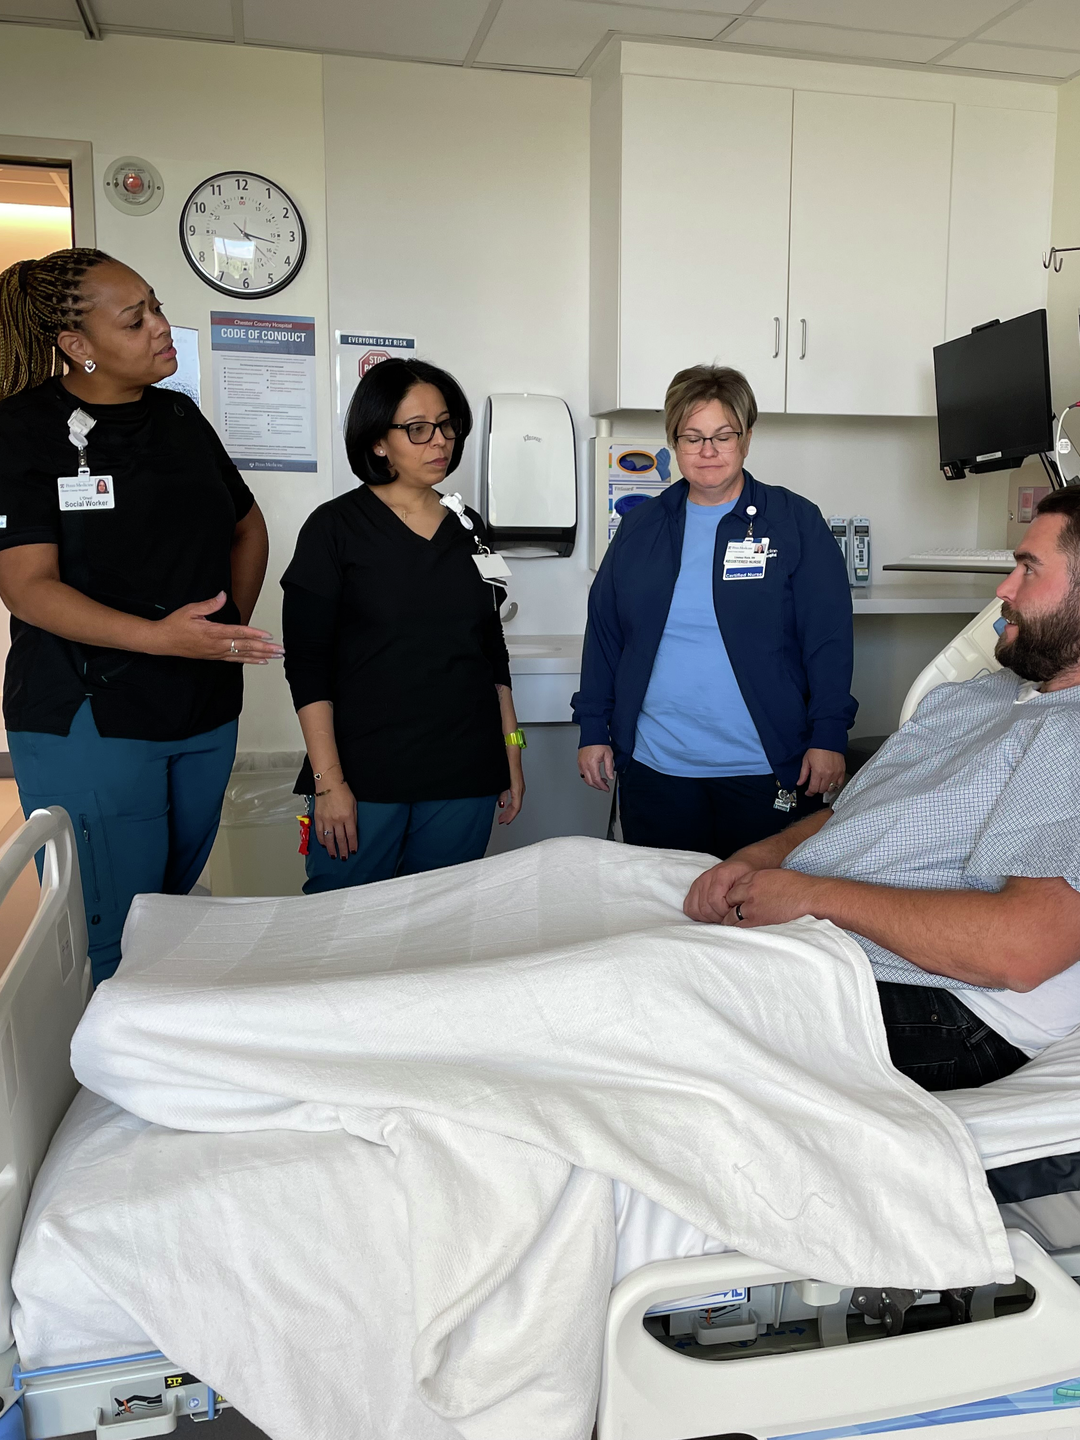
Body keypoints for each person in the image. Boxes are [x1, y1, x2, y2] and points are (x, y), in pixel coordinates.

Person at [684, 489, 1080, 1091]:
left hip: (947, 1004)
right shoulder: (982, 695)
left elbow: (1018, 952)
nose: (1003, 590)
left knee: (655, 1008)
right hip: (826, 938)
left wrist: (812, 896)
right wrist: (761, 858)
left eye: (1028, 568)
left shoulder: (1069, 734)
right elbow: (852, 811)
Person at [0, 249, 280, 985]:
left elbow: (248, 528)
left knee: (173, 909)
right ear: (76, 346)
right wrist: (162, 639)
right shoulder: (22, 430)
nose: (163, 328)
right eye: (137, 318)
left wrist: (222, 632)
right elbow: (28, 588)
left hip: (202, 705)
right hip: (90, 714)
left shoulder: (179, 417)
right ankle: (111, 1076)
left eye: (156, 306)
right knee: (117, 935)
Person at [574, 365, 856, 859]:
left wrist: (829, 735)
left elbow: (828, 639)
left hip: (762, 765)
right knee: (661, 909)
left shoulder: (794, 522)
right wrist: (594, 729)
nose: (708, 452)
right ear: (673, 442)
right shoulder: (642, 528)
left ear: (747, 439)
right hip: (657, 766)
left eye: (723, 436)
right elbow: (604, 636)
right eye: (692, 437)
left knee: (754, 910)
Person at [281, 357, 524, 893]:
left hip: (464, 772)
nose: (439, 441)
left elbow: (491, 650)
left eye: (446, 424)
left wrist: (510, 747)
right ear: (377, 442)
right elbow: (307, 664)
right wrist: (329, 784)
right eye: (418, 429)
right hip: (364, 777)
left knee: (440, 934)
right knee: (343, 932)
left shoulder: (469, 527)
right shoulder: (334, 529)